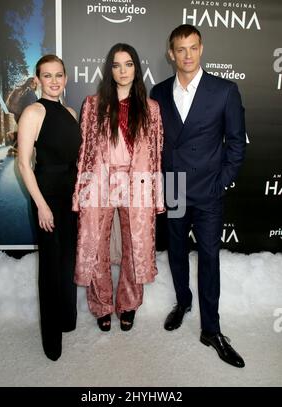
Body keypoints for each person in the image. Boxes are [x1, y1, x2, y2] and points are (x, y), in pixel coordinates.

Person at [150, 24, 246, 368]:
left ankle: (211, 329)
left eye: (193, 48)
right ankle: (182, 302)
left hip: (208, 191)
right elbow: (155, 143)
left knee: (209, 258)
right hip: (173, 187)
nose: (187, 55)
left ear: (201, 49)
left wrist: (221, 183)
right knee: (176, 251)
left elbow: (236, 143)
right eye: (180, 49)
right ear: (171, 53)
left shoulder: (224, 91)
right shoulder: (158, 93)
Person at [72, 43, 163, 332]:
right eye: (116, 65)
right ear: (109, 70)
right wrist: (80, 192)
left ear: (136, 69)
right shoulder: (93, 104)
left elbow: (156, 155)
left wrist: (156, 196)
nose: (122, 71)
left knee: (135, 246)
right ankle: (101, 305)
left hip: (137, 182)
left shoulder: (151, 109)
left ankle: (128, 304)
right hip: (98, 180)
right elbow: (84, 150)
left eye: (128, 64)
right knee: (96, 244)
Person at [17, 55, 81, 361]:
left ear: (65, 78)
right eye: (47, 75)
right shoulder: (33, 112)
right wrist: (41, 205)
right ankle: (51, 338)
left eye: (59, 75)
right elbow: (23, 164)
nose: (54, 81)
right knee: (51, 266)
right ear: (38, 80)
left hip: (70, 197)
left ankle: (67, 319)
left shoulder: (70, 112)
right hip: (47, 197)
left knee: (68, 261)